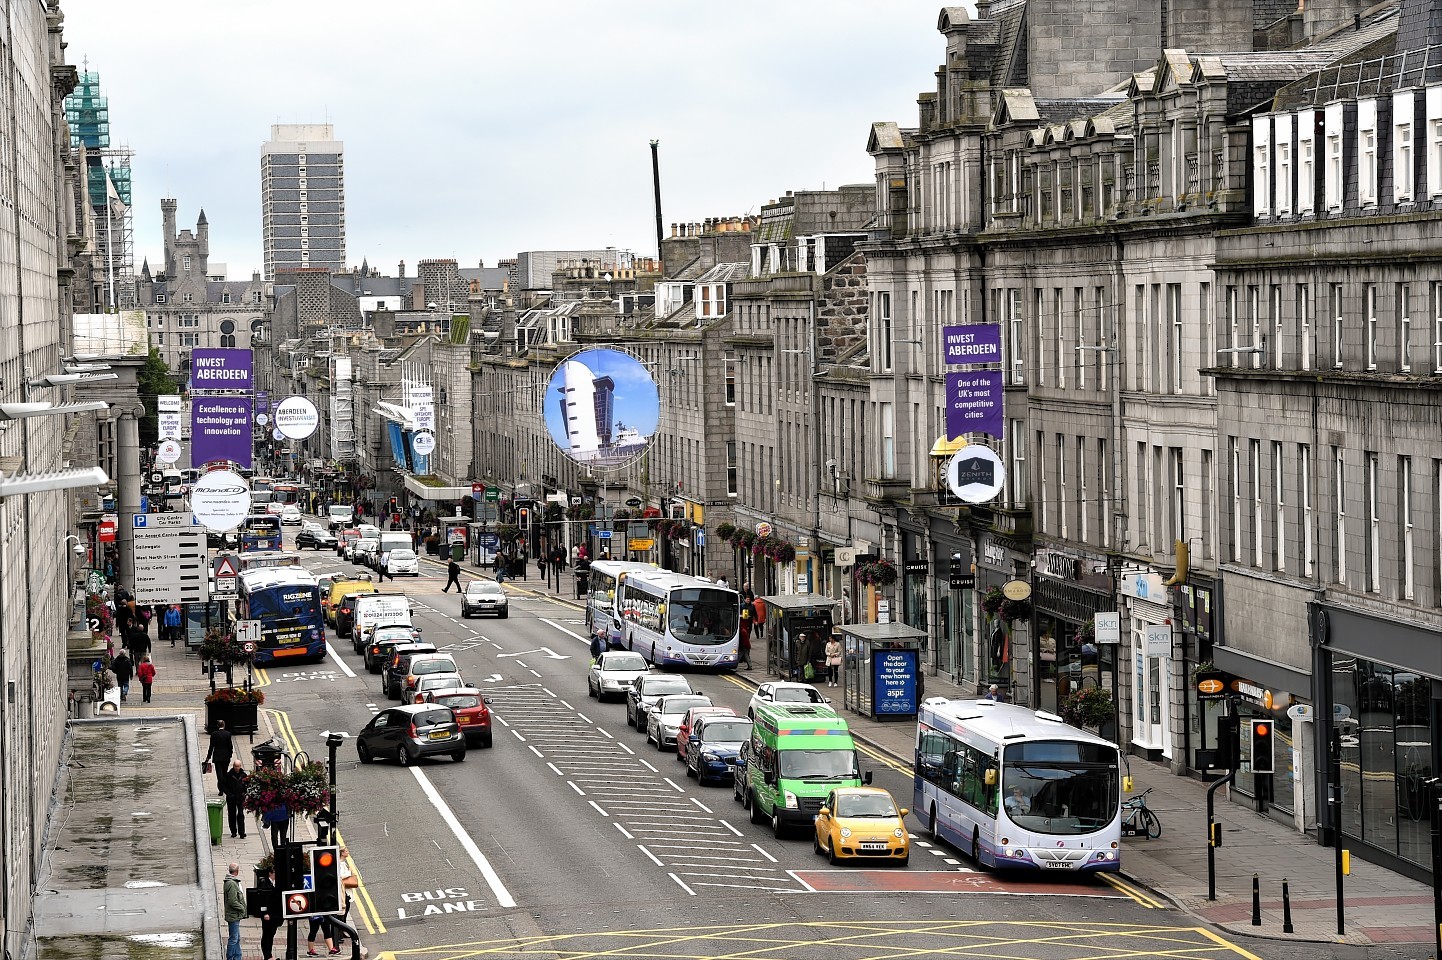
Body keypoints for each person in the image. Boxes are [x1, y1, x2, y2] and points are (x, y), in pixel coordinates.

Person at [257, 864, 282, 960]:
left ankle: (269, 954)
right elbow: (262, 900)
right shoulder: (264, 883)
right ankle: (267, 956)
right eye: (275, 873)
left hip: (275, 914)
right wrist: (264, 913)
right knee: (267, 935)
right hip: (268, 914)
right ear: (270, 873)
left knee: (271, 934)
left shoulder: (276, 883)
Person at [220, 759, 249, 838]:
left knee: (240, 814)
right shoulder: (229, 775)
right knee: (232, 815)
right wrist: (229, 794)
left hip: (240, 798)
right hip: (231, 798)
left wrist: (244, 793)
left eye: (238, 766)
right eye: (235, 766)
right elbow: (223, 786)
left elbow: (247, 785)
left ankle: (242, 832)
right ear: (233, 766)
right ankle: (233, 831)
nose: (237, 768)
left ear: (240, 766)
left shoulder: (243, 775)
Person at [223, 862, 246, 960]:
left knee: (236, 938)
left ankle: (237, 957)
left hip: (234, 915)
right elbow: (233, 901)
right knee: (233, 938)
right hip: (233, 915)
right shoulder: (232, 883)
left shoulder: (230, 881)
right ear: (237, 871)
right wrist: (242, 908)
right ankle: (231, 957)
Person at [205, 720, 234, 795]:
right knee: (224, 772)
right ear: (224, 725)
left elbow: (211, 747)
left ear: (217, 726)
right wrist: (230, 754)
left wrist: (208, 757)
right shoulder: (228, 734)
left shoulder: (214, 734)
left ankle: (221, 789)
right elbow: (230, 746)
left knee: (219, 773)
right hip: (226, 757)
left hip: (217, 756)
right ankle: (224, 787)